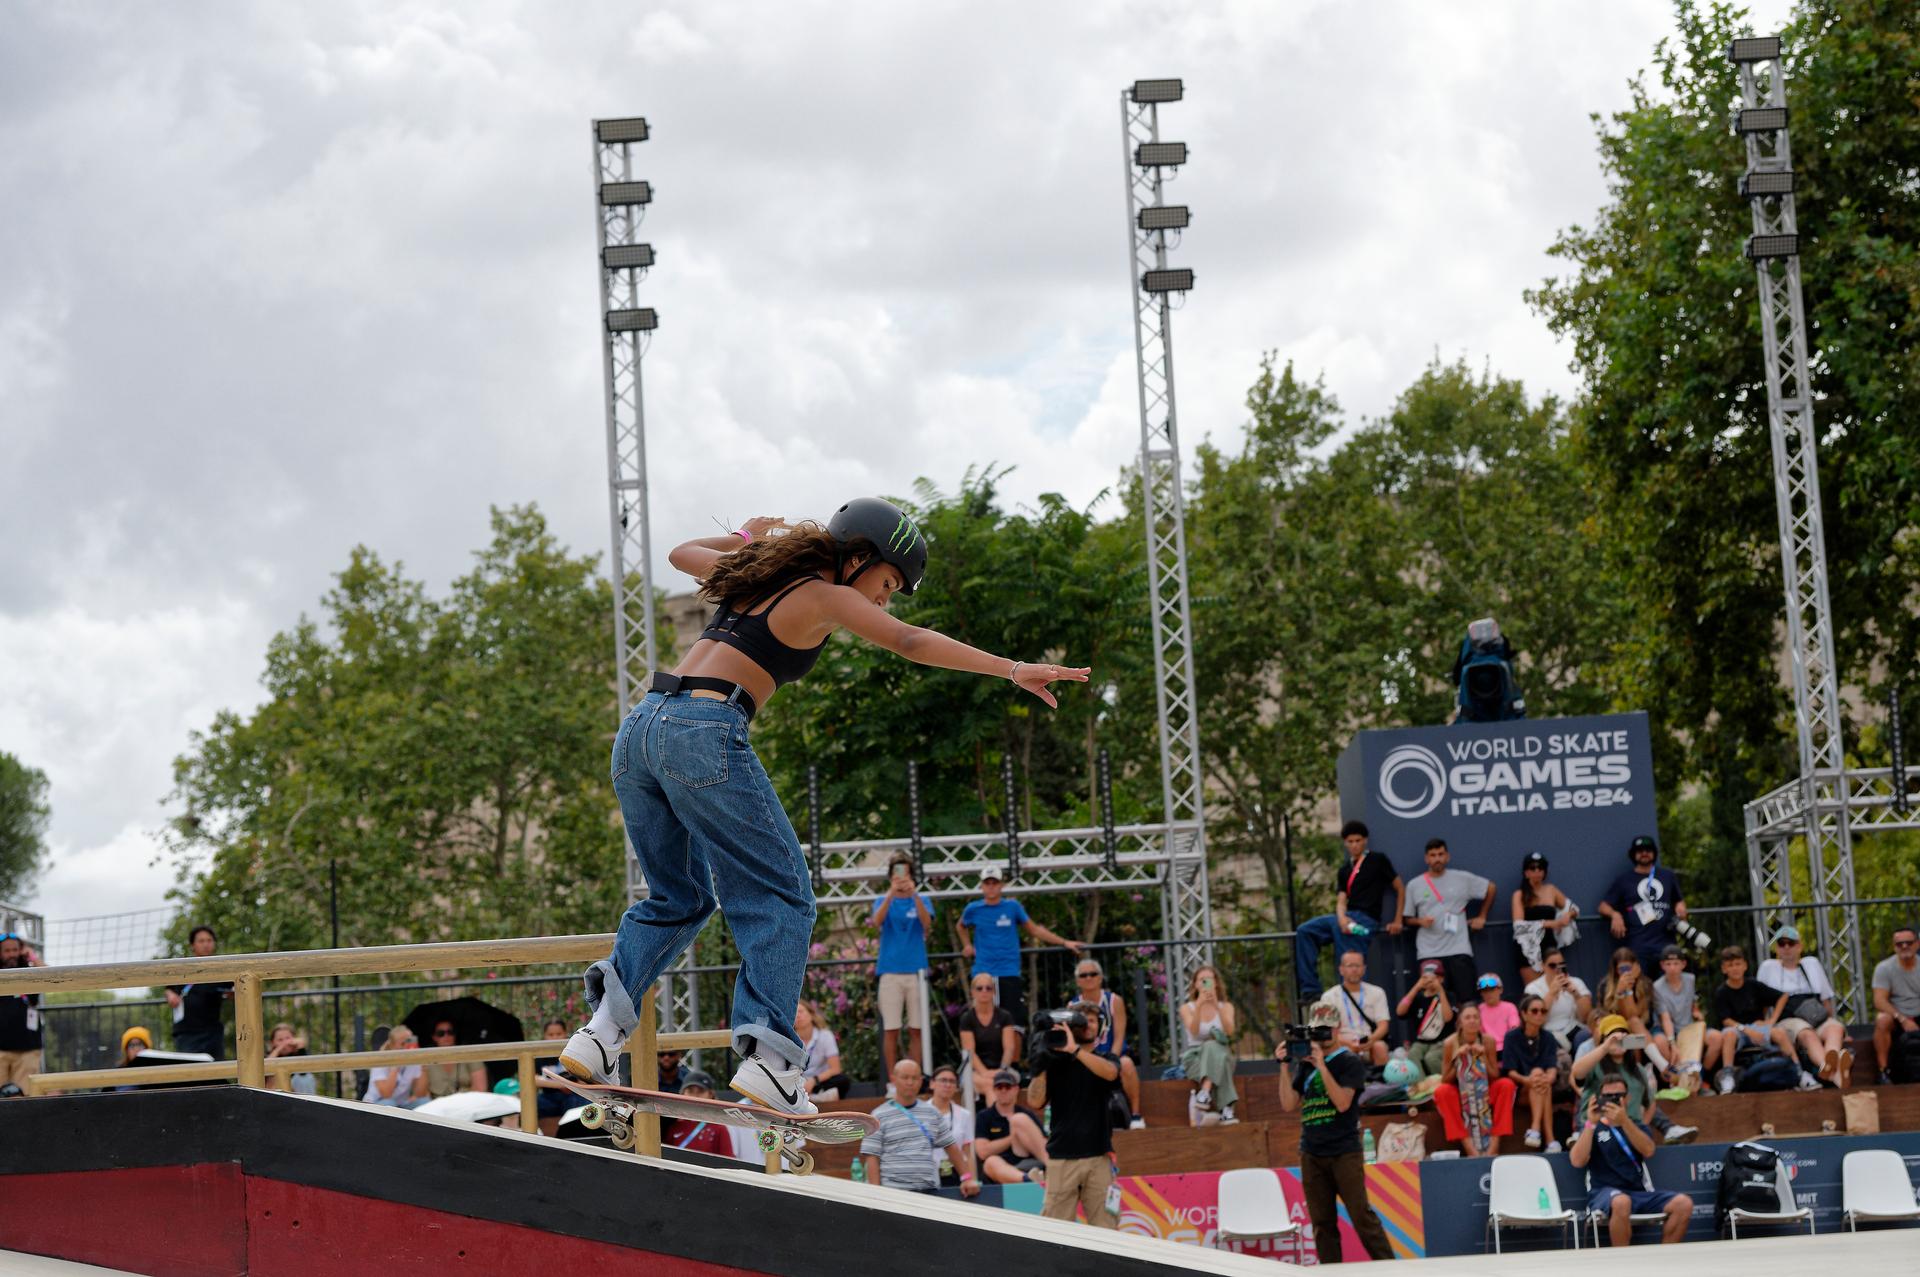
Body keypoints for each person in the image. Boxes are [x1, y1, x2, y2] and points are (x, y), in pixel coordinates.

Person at [561, 501, 1088, 1117]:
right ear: (857, 556)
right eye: (887, 584)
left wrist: (744, 539)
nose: (884, 602)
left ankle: (599, 1035)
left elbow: (683, 554)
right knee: (784, 896)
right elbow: (910, 642)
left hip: (640, 731)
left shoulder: (759, 574)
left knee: (678, 898)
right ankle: (772, 1061)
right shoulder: (822, 592)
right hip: (703, 728)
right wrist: (1012, 668)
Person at [1274, 1002, 1395, 1264]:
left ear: (1338, 1028)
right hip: (1311, 1151)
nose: (1321, 1036)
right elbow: (1288, 1103)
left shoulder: (1350, 1062)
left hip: (1344, 1151)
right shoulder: (1305, 1063)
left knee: (1362, 1217)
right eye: (1317, 1030)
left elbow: (1342, 1103)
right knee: (1322, 1223)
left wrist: (1322, 1066)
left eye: (1326, 1029)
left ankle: (1391, 1268)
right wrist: (1284, 1066)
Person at [1026, 1000, 1120, 1227]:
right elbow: (1034, 1101)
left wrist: (1074, 1050)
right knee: (1055, 1233)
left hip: (1098, 1157)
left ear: (1100, 1026)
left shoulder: (1106, 1059)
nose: (1087, 1025)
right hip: (1061, 1158)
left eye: (1092, 1021)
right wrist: (1041, 1062)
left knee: (1107, 1230)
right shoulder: (1055, 1063)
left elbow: (1110, 1073)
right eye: (1081, 1020)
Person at [957, 865, 1083, 1033]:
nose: (991, 886)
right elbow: (960, 926)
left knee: (1013, 1025)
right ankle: (986, 1059)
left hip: (1009, 971)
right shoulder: (973, 908)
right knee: (983, 1023)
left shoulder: (1012, 907)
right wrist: (967, 945)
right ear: (981, 886)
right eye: (987, 883)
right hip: (983, 973)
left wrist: (1064, 942)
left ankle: (1012, 1060)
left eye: (995, 882)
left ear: (1001, 885)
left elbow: (1034, 929)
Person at [1568, 1079, 1694, 1246]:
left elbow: (1649, 1150)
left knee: (1683, 1204)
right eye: (1608, 1096)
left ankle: (1665, 1260)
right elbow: (1577, 1161)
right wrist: (1591, 1123)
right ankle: (1623, 1264)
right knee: (1621, 1202)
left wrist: (1624, 1121)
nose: (1613, 1099)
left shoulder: (1637, 1126)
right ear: (1598, 1098)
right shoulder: (1592, 1127)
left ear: (1627, 1099)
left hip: (1638, 1193)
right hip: (1603, 1194)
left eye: (1618, 1095)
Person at [1293, 821, 1405, 1004]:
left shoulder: (1378, 860)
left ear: (1365, 841)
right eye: (1350, 841)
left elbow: (1400, 888)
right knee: (1305, 930)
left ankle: (1350, 1000)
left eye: (1358, 840)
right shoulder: (1344, 870)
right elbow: (1341, 901)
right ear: (1345, 843)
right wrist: (1342, 918)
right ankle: (1311, 990)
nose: (1354, 845)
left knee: (1347, 946)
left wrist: (1398, 919)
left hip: (1366, 921)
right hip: (1345, 917)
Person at [860, 1058, 979, 1197]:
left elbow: (952, 1147)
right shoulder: (878, 1115)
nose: (910, 1082)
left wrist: (967, 1178)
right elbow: (872, 1156)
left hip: (928, 1190)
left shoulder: (932, 1113)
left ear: (921, 1081)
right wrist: (876, 1192)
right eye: (905, 1077)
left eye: (915, 1078)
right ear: (893, 1079)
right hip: (893, 1192)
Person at [1572, 1015, 1697, 1145]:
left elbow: (1650, 1103)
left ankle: (1670, 1129)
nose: (1619, 1040)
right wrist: (1605, 1047)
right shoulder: (1595, 1064)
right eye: (1613, 1036)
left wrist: (1640, 1127)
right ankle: (1577, 1137)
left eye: (1623, 1035)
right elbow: (1577, 1073)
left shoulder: (1638, 1069)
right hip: (1598, 1126)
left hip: (1628, 1125)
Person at [1757, 926, 1851, 1087]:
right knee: (1807, 1034)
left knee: (1835, 1029)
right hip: (1789, 1019)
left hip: (1815, 1015)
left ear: (1799, 946)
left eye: (1791, 943)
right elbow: (1762, 1003)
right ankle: (1833, 1072)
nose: (1786, 947)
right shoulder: (1768, 967)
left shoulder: (1811, 964)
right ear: (1776, 948)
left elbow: (1825, 1000)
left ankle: (1832, 1067)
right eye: (1782, 943)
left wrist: (1833, 1021)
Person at [1404, 839, 1495, 1006]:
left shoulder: (1462, 878)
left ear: (1447, 856)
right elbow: (1407, 918)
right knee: (1432, 1002)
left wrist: (1482, 916)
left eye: (1440, 854)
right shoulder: (1414, 885)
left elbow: (1490, 888)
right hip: (1428, 952)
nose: (1437, 859)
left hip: (1459, 949)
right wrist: (1420, 921)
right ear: (1426, 859)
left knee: (1466, 1002)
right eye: (1433, 855)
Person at [872, 853, 934, 1081]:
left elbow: (927, 923)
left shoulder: (922, 899)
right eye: (898, 873)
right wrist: (891, 893)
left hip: (916, 971)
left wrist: (913, 893)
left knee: (917, 1029)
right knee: (891, 1029)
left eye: (906, 872)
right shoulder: (882, 900)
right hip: (889, 972)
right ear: (891, 876)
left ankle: (914, 1078)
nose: (902, 877)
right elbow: (877, 921)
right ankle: (893, 1079)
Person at [1432, 1002, 1514, 1158]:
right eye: (1467, 1017)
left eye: (1476, 1017)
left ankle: (1494, 1144)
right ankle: (1468, 1145)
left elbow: (1494, 1074)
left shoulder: (1488, 1040)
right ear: (1460, 1022)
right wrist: (1458, 1059)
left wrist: (1482, 1057)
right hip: (1462, 1092)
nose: (1472, 1021)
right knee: (1442, 1092)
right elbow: (1445, 1079)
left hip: (1484, 1090)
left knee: (1506, 1085)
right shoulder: (1450, 1043)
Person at [1596, 835, 1688, 970]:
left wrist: (1681, 910)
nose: (1644, 853)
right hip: (1638, 945)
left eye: (1648, 850)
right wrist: (1615, 915)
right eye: (1640, 851)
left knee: (1667, 987)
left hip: (1666, 943)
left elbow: (1679, 901)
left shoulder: (1668, 876)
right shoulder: (1624, 880)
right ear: (1633, 854)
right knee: (1640, 987)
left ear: (1654, 853)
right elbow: (1603, 906)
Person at [1710, 944, 1793, 1086]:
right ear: (1724, 969)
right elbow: (1726, 1021)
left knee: (1780, 1033)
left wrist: (1772, 1020)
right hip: (1738, 1030)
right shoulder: (1721, 992)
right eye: (1730, 965)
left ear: (1745, 966)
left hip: (1758, 1027)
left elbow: (1783, 996)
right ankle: (1728, 1075)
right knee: (1728, 1034)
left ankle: (1797, 1070)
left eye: (1738, 964)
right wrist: (1746, 1030)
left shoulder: (1754, 985)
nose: (1735, 968)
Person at [1076, 958, 1143, 1126]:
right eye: (1084, 975)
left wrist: (1111, 1059)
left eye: (1093, 974)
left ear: (1100, 978)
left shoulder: (1114, 1001)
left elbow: (1119, 1035)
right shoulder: (1073, 1005)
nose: (1089, 978)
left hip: (1112, 1054)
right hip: (1086, 1056)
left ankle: (1136, 1116)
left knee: (1126, 1063)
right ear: (1078, 981)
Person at [1649, 946, 1718, 1097]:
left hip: (1688, 1026)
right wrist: (1672, 1042)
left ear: (1683, 964)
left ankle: (1699, 1080)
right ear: (1662, 966)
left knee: (1716, 1038)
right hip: (1667, 1029)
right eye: (1668, 964)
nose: (1672, 968)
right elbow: (1665, 1018)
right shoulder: (1657, 987)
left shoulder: (1690, 979)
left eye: (1675, 963)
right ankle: (1676, 1082)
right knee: (1660, 1042)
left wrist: (1697, 1013)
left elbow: (1693, 1003)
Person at [1178, 965, 1238, 1124]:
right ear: (1195, 984)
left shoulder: (1226, 1007)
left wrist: (1216, 1007)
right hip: (1195, 1058)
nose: (1205, 983)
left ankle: (1204, 1092)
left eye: (1209, 979)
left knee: (1216, 1048)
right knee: (1216, 1054)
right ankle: (1226, 1109)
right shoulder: (1187, 1008)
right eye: (1201, 980)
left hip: (1221, 1053)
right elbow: (1194, 1030)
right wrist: (1199, 1005)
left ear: (1216, 983)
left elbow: (1230, 1031)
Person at [1502, 993, 1561, 1151]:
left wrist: (1546, 1078)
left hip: (1541, 1087)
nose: (1539, 1015)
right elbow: (1510, 1071)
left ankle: (1535, 1132)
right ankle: (1550, 1139)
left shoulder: (1548, 1037)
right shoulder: (1512, 1037)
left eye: (1543, 1011)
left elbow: (1552, 1068)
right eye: (1534, 1011)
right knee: (1537, 1075)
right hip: (1521, 1089)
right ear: (1523, 1014)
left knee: (1541, 1079)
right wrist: (1529, 1080)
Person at [1510, 851, 1575, 986]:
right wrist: (1552, 923)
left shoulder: (1551, 890)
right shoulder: (1519, 894)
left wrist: (1568, 915)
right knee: (1534, 989)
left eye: (1541, 868)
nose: (1537, 871)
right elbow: (1519, 925)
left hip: (1549, 946)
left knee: (1556, 984)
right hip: (1528, 947)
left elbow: (1573, 908)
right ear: (1526, 872)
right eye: (1532, 868)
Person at [164, 925, 230, 1058]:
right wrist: (170, 995)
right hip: (187, 1033)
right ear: (192, 945)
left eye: (209, 940)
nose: (206, 944)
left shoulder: (221, 969)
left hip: (213, 1033)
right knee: (189, 1072)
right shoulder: (182, 967)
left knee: (216, 1072)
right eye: (201, 941)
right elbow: (168, 989)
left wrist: (234, 994)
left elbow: (234, 989)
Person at [975, 1068, 1049, 1185]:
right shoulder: (984, 1116)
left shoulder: (1026, 1114)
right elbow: (982, 1152)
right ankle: (1028, 1180)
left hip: (1027, 1161)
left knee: (1019, 1119)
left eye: (1008, 1087)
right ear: (994, 1090)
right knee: (991, 1162)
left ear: (1016, 1089)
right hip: (1000, 1171)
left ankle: (1054, 1167)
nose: (1003, 1090)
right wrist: (1012, 1137)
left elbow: (1042, 1142)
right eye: (999, 1087)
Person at [1317, 951, 1389, 1066]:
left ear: (1364, 968)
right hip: (1341, 1041)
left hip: (1368, 1040)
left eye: (1358, 965)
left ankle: (1381, 1082)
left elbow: (1383, 1025)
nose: (1354, 969)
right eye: (1350, 965)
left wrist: (1371, 1039)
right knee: (1341, 1051)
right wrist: (1348, 1043)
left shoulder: (1377, 992)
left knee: (1380, 1047)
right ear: (1341, 969)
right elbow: (1327, 1030)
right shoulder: (1329, 996)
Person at [1872, 924, 1920, 1084]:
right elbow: (1879, 1000)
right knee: (1882, 1020)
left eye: (1909, 942)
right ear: (1894, 947)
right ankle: (1884, 1072)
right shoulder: (1884, 968)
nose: (1905, 946)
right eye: (1900, 944)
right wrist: (1903, 1019)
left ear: (1917, 943)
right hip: (1897, 1017)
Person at [958, 974, 1019, 1100]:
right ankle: (996, 1119)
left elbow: (1009, 1049)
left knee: (1000, 1082)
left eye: (988, 988)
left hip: (1003, 1068)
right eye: (979, 988)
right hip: (974, 1070)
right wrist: (985, 1072)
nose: (984, 991)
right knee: (991, 1084)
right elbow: (970, 1052)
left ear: (994, 992)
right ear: (973, 992)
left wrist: (1001, 1070)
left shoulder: (1005, 1016)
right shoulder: (967, 1018)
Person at [1525, 952, 1593, 1062]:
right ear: (1543, 966)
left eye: (1561, 965)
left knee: (1585, 1036)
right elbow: (1535, 1020)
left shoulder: (1576, 982)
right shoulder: (1532, 988)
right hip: (1548, 1031)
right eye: (1552, 966)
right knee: (1549, 1042)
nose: (1557, 969)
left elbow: (1587, 1016)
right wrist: (1551, 993)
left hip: (1572, 1027)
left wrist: (1576, 994)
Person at [0, 934, 44, 1092]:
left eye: (15, 949)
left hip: (28, 1050)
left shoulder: (30, 973)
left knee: (27, 1098)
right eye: (7, 950)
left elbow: (52, 975)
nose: (11, 954)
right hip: (0, 1051)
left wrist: (31, 955)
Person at [1396, 958, 1453, 1078]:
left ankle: (1443, 1083)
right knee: (1413, 1054)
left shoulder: (1448, 995)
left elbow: (1448, 1017)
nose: (1430, 981)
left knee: (1431, 1058)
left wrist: (1440, 991)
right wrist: (1416, 987)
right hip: (1421, 1042)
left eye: (1434, 978)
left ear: (1441, 979)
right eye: (1425, 977)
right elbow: (1400, 1012)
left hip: (1441, 1042)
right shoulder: (1417, 998)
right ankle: (1421, 1086)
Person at [926, 1064, 977, 1190]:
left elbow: (967, 1153)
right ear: (932, 1084)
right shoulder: (921, 1112)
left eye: (952, 1081)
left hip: (957, 1174)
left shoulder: (965, 1115)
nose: (947, 1085)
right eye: (943, 1080)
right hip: (928, 1174)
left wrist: (973, 1180)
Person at [664, 1070, 733, 1156]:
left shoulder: (719, 1128)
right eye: (690, 1091)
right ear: (682, 1094)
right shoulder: (673, 1126)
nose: (695, 1096)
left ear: (711, 1094)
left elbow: (729, 1165)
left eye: (700, 1091)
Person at [794, 999, 850, 1102]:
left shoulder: (825, 1035)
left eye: (801, 1011)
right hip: (798, 1082)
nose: (797, 1015)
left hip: (819, 1081)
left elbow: (835, 1069)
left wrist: (814, 1080)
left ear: (811, 1014)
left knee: (843, 1080)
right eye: (794, 1012)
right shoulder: (790, 1040)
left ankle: (809, 1099)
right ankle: (817, 1098)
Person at [1592, 948, 1654, 1041]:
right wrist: (1620, 992)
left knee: (1634, 1026)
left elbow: (1633, 1015)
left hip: (1641, 1029)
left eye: (1628, 968)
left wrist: (1628, 989)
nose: (1625, 972)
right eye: (1622, 969)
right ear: (1616, 970)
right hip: (1614, 1029)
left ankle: (1653, 1055)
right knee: (1631, 1037)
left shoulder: (1645, 984)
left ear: (1636, 967)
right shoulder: (1605, 985)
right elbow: (1610, 1015)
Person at [363, 1025, 429, 1108]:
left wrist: (423, 1067)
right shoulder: (380, 1060)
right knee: (389, 1104)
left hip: (400, 1105)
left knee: (424, 1102)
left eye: (410, 1041)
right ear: (392, 1046)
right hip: (377, 1104)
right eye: (403, 1043)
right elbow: (386, 1094)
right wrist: (395, 1065)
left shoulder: (413, 1060)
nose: (407, 1046)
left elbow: (420, 1094)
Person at [423, 1019, 487, 1097]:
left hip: (467, 1102)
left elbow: (480, 1088)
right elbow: (422, 1093)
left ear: (455, 1034)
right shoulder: (426, 1058)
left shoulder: (469, 1054)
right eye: (440, 1033)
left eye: (450, 1032)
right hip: (436, 1105)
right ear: (434, 1037)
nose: (446, 1036)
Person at [533, 1018, 572, 1135]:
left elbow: (583, 1081)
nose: (555, 1037)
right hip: (548, 1097)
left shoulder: (573, 1052)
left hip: (572, 1095)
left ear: (565, 1034)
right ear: (545, 1036)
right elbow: (533, 1080)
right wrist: (560, 1085)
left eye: (559, 1034)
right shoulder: (539, 1055)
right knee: (535, 1103)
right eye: (551, 1034)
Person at [265, 1023, 318, 1095]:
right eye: (280, 1040)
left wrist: (301, 1047)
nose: (285, 1042)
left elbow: (304, 1073)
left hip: (296, 1093)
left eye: (288, 1038)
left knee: (305, 1079)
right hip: (275, 1093)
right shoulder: (271, 1055)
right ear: (273, 1042)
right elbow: (266, 1068)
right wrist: (278, 1049)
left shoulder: (299, 1052)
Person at [1475, 974, 1519, 1046]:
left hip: (1508, 1047)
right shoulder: (1478, 1010)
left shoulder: (1510, 1007)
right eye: (1485, 991)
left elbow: (1514, 1029)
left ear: (1501, 989)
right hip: (1487, 1049)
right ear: (1481, 993)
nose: (1488, 993)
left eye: (1491, 989)